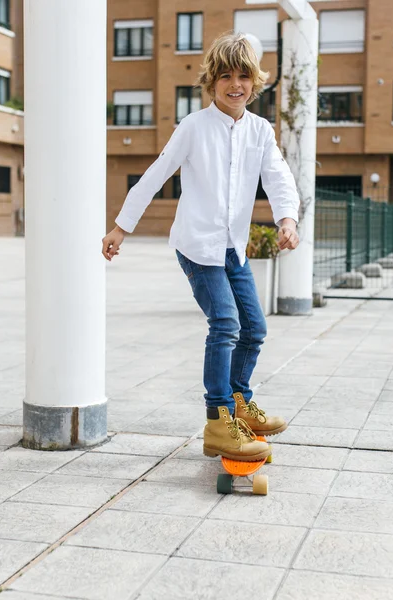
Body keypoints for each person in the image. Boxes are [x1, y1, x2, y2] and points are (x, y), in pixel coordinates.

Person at [102, 32, 300, 462]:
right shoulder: (193, 127)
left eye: (243, 77)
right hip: (197, 246)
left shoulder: (260, 131)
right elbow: (156, 174)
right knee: (226, 324)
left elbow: (279, 177)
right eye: (225, 76)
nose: (235, 85)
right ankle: (218, 421)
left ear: (254, 82)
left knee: (255, 328)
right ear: (211, 83)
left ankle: (240, 403)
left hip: (232, 247)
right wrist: (121, 227)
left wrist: (288, 218)